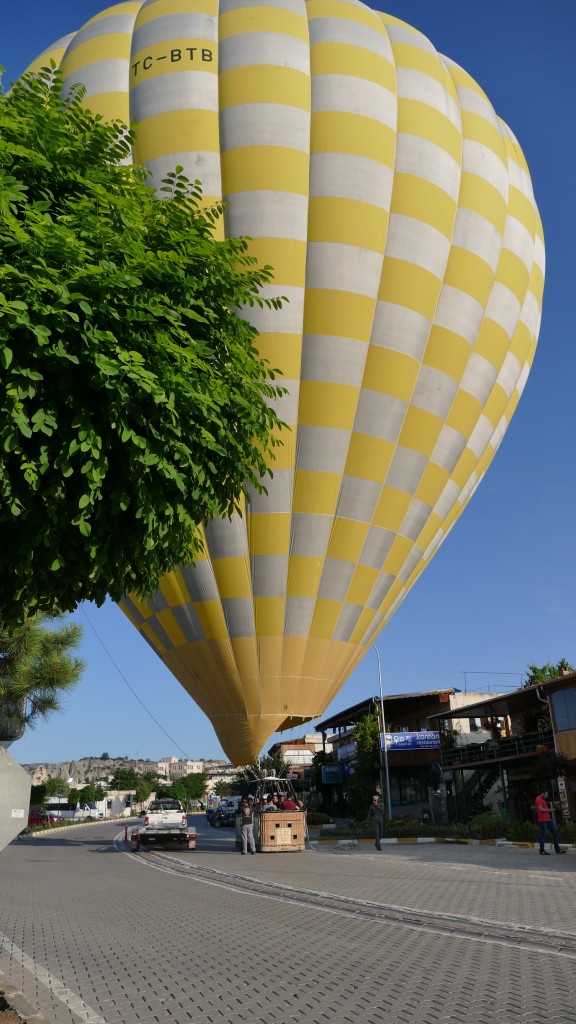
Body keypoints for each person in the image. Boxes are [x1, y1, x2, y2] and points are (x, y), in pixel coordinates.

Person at [534, 789, 566, 855]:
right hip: (542, 821)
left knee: (555, 833)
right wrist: (551, 810)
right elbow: (540, 809)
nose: (547, 796)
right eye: (546, 795)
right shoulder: (538, 799)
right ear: (542, 794)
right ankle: (542, 850)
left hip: (548, 820)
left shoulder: (543, 800)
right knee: (543, 835)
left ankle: (557, 850)